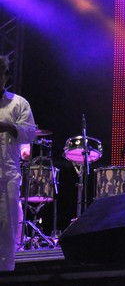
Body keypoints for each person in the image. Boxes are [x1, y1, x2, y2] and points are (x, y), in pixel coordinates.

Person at [0, 55, 36, 271]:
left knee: (7, 227)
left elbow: (30, 133)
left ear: (4, 75)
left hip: (8, 174)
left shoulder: (18, 103)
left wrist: (9, 127)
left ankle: (6, 274)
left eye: (0, 72)